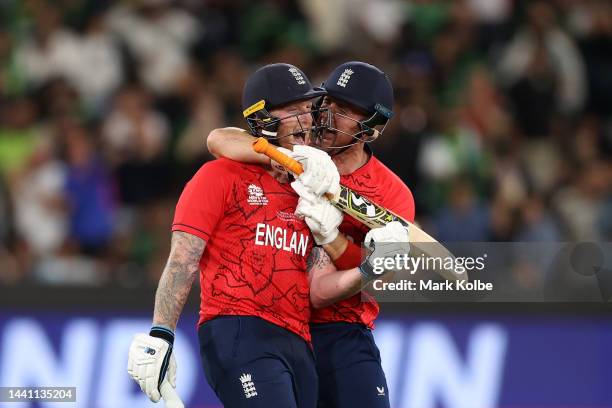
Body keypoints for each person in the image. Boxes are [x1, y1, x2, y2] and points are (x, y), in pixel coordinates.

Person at [126, 62, 408, 408]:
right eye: (300, 110)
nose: (316, 118)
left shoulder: (317, 188)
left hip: (308, 333)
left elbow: (318, 288)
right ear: (265, 120)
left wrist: (339, 242)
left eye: (311, 109)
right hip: (240, 326)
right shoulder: (229, 174)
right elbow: (183, 258)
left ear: (372, 127)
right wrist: (161, 331)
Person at [207, 61, 415, 408]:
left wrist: (334, 240)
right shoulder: (302, 151)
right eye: (328, 103)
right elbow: (219, 138)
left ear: (373, 127)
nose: (329, 115)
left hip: (343, 330)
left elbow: (376, 277)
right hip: (277, 326)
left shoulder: (391, 194)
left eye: (346, 110)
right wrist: (284, 158)